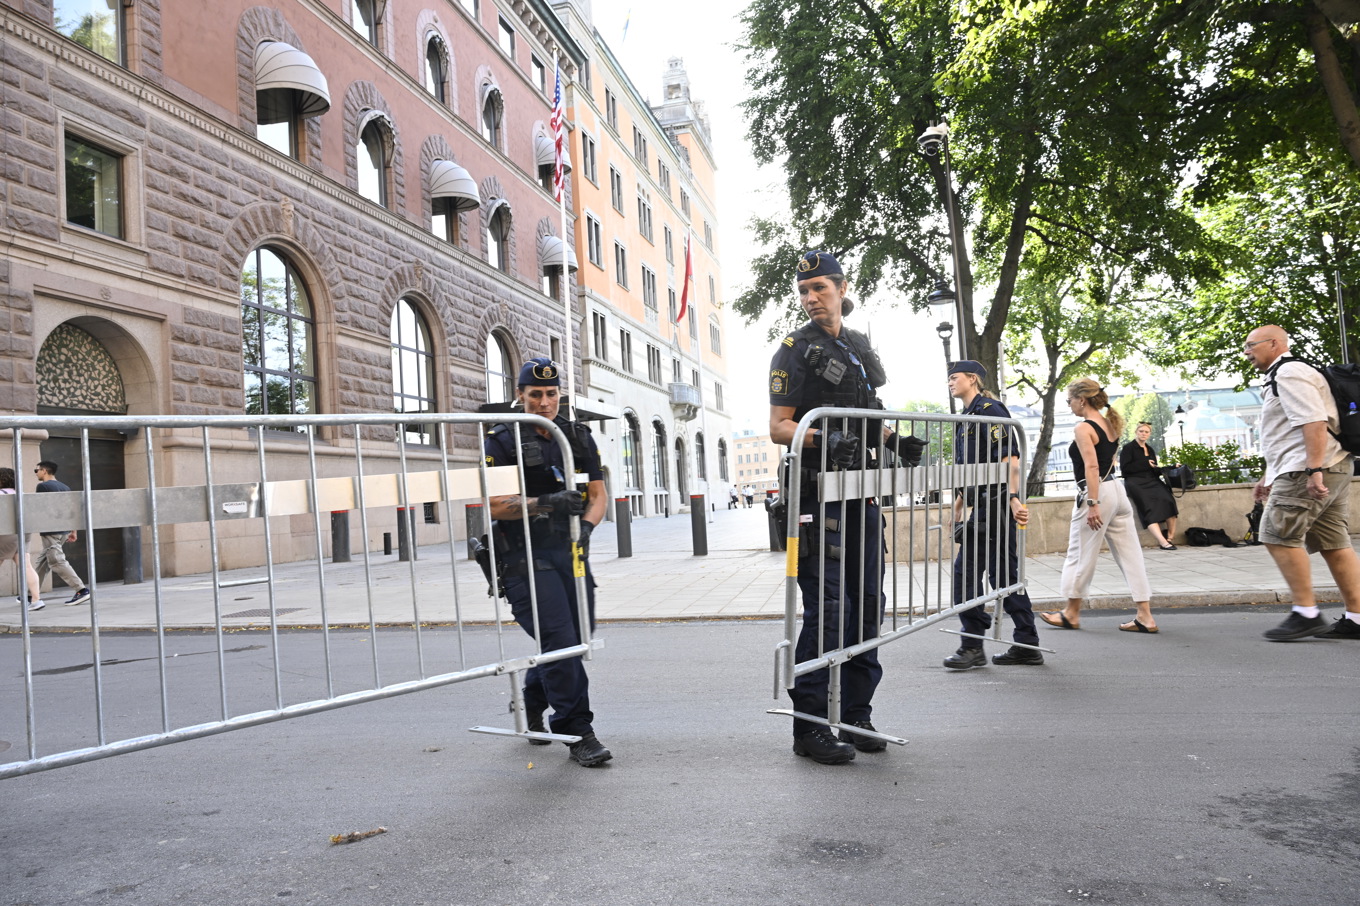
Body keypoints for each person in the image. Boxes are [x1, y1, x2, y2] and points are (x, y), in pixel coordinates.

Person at [768, 250, 925, 764]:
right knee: (829, 609)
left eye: (821, 288)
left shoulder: (856, 347)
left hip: (859, 493)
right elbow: (779, 426)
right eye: (804, 291)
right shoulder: (793, 350)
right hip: (816, 496)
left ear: (841, 288)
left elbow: (867, 413)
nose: (812, 298)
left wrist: (894, 440)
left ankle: (857, 714)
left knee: (866, 604)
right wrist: (820, 439)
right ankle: (809, 725)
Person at [484, 358, 613, 765]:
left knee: (577, 634)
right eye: (535, 394)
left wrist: (588, 528)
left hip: (571, 551)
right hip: (526, 555)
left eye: (551, 394)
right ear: (520, 395)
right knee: (561, 641)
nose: (544, 402)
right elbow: (497, 505)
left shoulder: (577, 436)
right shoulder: (502, 439)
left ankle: (531, 701)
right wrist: (544, 503)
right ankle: (577, 730)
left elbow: (598, 494)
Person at [1244, 325, 1360, 641]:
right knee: (1333, 544)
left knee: (1276, 534)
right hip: (1321, 466)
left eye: (1251, 345)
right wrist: (1268, 474)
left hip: (1306, 470)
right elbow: (1283, 433)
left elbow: (1314, 422)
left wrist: (1313, 470)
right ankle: (1358, 618)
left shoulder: (1290, 372)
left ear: (1274, 343)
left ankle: (1306, 612)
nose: (1246, 352)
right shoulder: (1284, 374)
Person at [941, 361, 1041, 669]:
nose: (950, 383)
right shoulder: (966, 417)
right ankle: (1027, 643)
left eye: (954, 378)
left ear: (973, 379)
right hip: (982, 504)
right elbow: (970, 467)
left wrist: (1013, 497)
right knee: (1004, 576)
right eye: (948, 379)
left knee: (965, 574)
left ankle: (972, 645)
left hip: (996, 503)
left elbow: (1009, 458)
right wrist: (959, 502)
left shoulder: (991, 410)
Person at [1040, 379, 1158, 634]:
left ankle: (1071, 613)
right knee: (1131, 556)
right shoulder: (1109, 424)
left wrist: (1092, 503)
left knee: (1079, 553)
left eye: (1069, 400)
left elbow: (1092, 467)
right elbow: (1108, 463)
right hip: (1117, 491)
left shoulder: (1084, 427)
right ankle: (1145, 616)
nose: (1069, 405)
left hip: (1097, 493)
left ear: (1081, 400)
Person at [33, 461, 90, 606]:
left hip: (51, 530)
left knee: (56, 560)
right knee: (44, 561)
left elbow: (40, 508)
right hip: (63, 530)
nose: (36, 473)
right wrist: (73, 530)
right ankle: (30, 593)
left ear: (44, 471)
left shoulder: (43, 486)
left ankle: (81, 590)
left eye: (37, 470)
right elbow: (71, 511)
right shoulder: (65, 487)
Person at [1119, 422, 1180, 551]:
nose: (1143, 434)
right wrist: (1145, 463)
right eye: (1141, 431)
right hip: (1135, 482)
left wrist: (1171, 467)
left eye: (1146, 432)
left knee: (1169, 501)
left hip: (1152, 480)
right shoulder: (1128, 448)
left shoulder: (1150, 449)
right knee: (1148, 510)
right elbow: (1125, 470)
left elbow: (1154, 469)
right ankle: (1163, 542)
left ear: (1149, 434)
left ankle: (1170, 537)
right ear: (1136, 432)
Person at [1, 467, 44, 612]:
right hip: (24, 532)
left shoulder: (1, 494)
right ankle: (36, 600)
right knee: (26, 566)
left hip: (5, 533)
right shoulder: (21, 494)